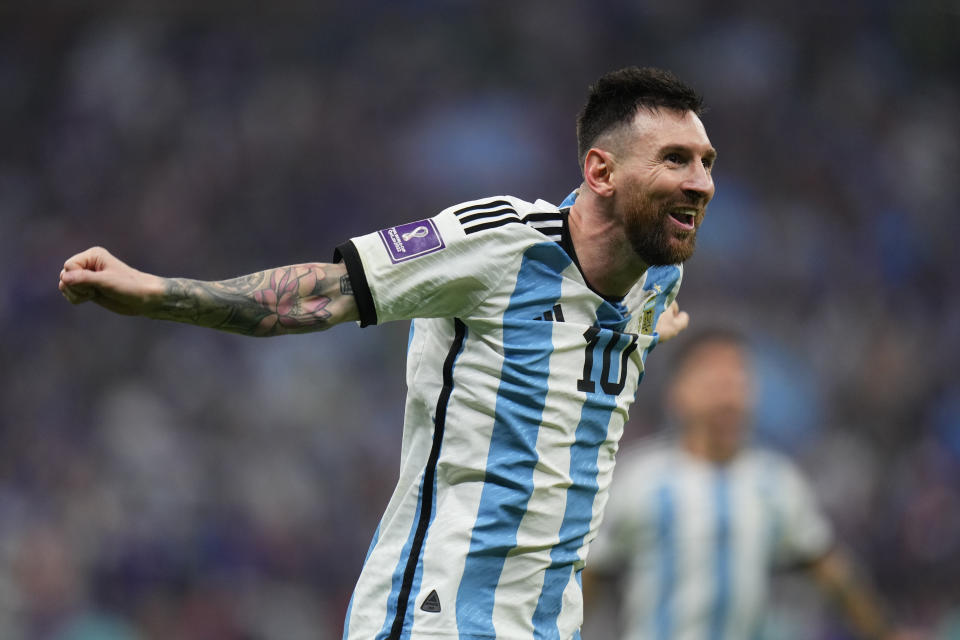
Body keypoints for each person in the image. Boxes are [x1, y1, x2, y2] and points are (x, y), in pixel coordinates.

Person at [58, 66, 715, 640]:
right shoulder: (500, 244)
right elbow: (325, 295)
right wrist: (154, 292)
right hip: (436, 613)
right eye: (676, 159)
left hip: (548, 624)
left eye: (706, 162)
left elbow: (594, 333)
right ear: (601, 170)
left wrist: (651, 331)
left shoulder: (655, 275)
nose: (701, 182)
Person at [583, 329, 915, 640]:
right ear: (678, 391)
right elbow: (588, 574)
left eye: (737, 375)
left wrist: (886, 632)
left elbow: (834, 574)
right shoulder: (639, 479)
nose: (728, 389)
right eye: (712, 375)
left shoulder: (774, 482)